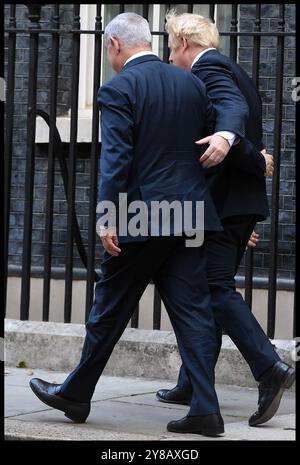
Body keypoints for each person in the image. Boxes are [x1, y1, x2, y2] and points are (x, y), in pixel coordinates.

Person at [27, 12, 243, 437]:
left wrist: (108, 215)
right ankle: (205, 408)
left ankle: (75, 393)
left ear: (114, 45)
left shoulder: (119, 87)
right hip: (190, 212)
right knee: (194, 309)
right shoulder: (191, 83)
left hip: (144, 213)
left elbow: (117, 159)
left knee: (110, 306)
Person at [156, 12, 295, 428]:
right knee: (205, 289)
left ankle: (268, 366)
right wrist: (257, 161)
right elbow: (246, 132)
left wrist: (246, 154)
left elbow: (231, 122)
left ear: (182, 42)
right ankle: (191, 383)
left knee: (212, 289)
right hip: (234, 204)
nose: (167, 54)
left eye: (168, 44)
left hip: (222, 205)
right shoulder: (237, 70)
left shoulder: (210, 67)